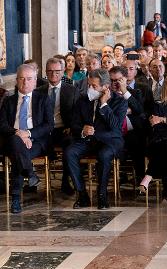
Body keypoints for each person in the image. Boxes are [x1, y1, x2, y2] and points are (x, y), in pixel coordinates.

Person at [65, 69, 128, 210]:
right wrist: (82, 130)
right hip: (87, 140)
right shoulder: (83, 100)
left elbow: (116, 127)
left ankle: (102, 194)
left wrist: (104, 104)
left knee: (104, 155)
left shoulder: (120, 102)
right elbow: (74, 124)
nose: (90, 89)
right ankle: (82, 194)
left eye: (94, 86)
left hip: (109, 141)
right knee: (70, 152)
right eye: (89, 85)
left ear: (105, 87)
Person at [0, 64, 53, 214]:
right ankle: (30, 174)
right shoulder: (9, 101)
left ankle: (16, 198)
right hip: (13, 139)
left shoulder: (43, 99)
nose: (25, 82)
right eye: (22, 79)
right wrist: (18, 133)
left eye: (29, 79)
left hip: (36, 141)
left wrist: (28, 134)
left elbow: (49, 125)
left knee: (18, 154)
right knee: (18, 146)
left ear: (35, 81)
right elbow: (2, 125)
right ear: (17, 81)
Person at [39, 58, 79, 195]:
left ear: (62, 72)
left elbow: (77, 113)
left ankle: (65, 180)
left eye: (57, 71)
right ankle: (34, 180)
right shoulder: (39, 91)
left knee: (70, 144)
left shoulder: (72, 90)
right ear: (45, 72)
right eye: (50, 71)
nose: (53, 74)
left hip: (64, 129)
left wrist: (72, 127)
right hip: (45, 130)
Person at [138, 74, 167, 204]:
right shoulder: (159, 106)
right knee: (165, 146)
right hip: (158, 141)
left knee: (166, 149)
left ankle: (149, 176)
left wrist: (163, 120)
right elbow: (156, 127)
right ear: (165, 88)